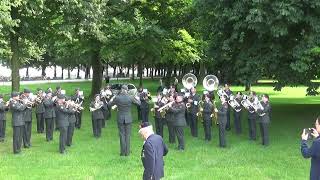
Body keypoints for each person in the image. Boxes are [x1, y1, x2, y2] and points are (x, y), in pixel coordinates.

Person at [109, 85, 141, 156]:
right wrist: (136, 97)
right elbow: (139, 103)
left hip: (120, 118)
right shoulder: (130, 97)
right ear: (127, 90)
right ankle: (127, 152)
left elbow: (109, 105)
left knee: (122, 135)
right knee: (128, 135)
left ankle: (122, 152)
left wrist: (112, 98)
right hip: (128, 118)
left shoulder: (117, 98)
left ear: (121, 90)